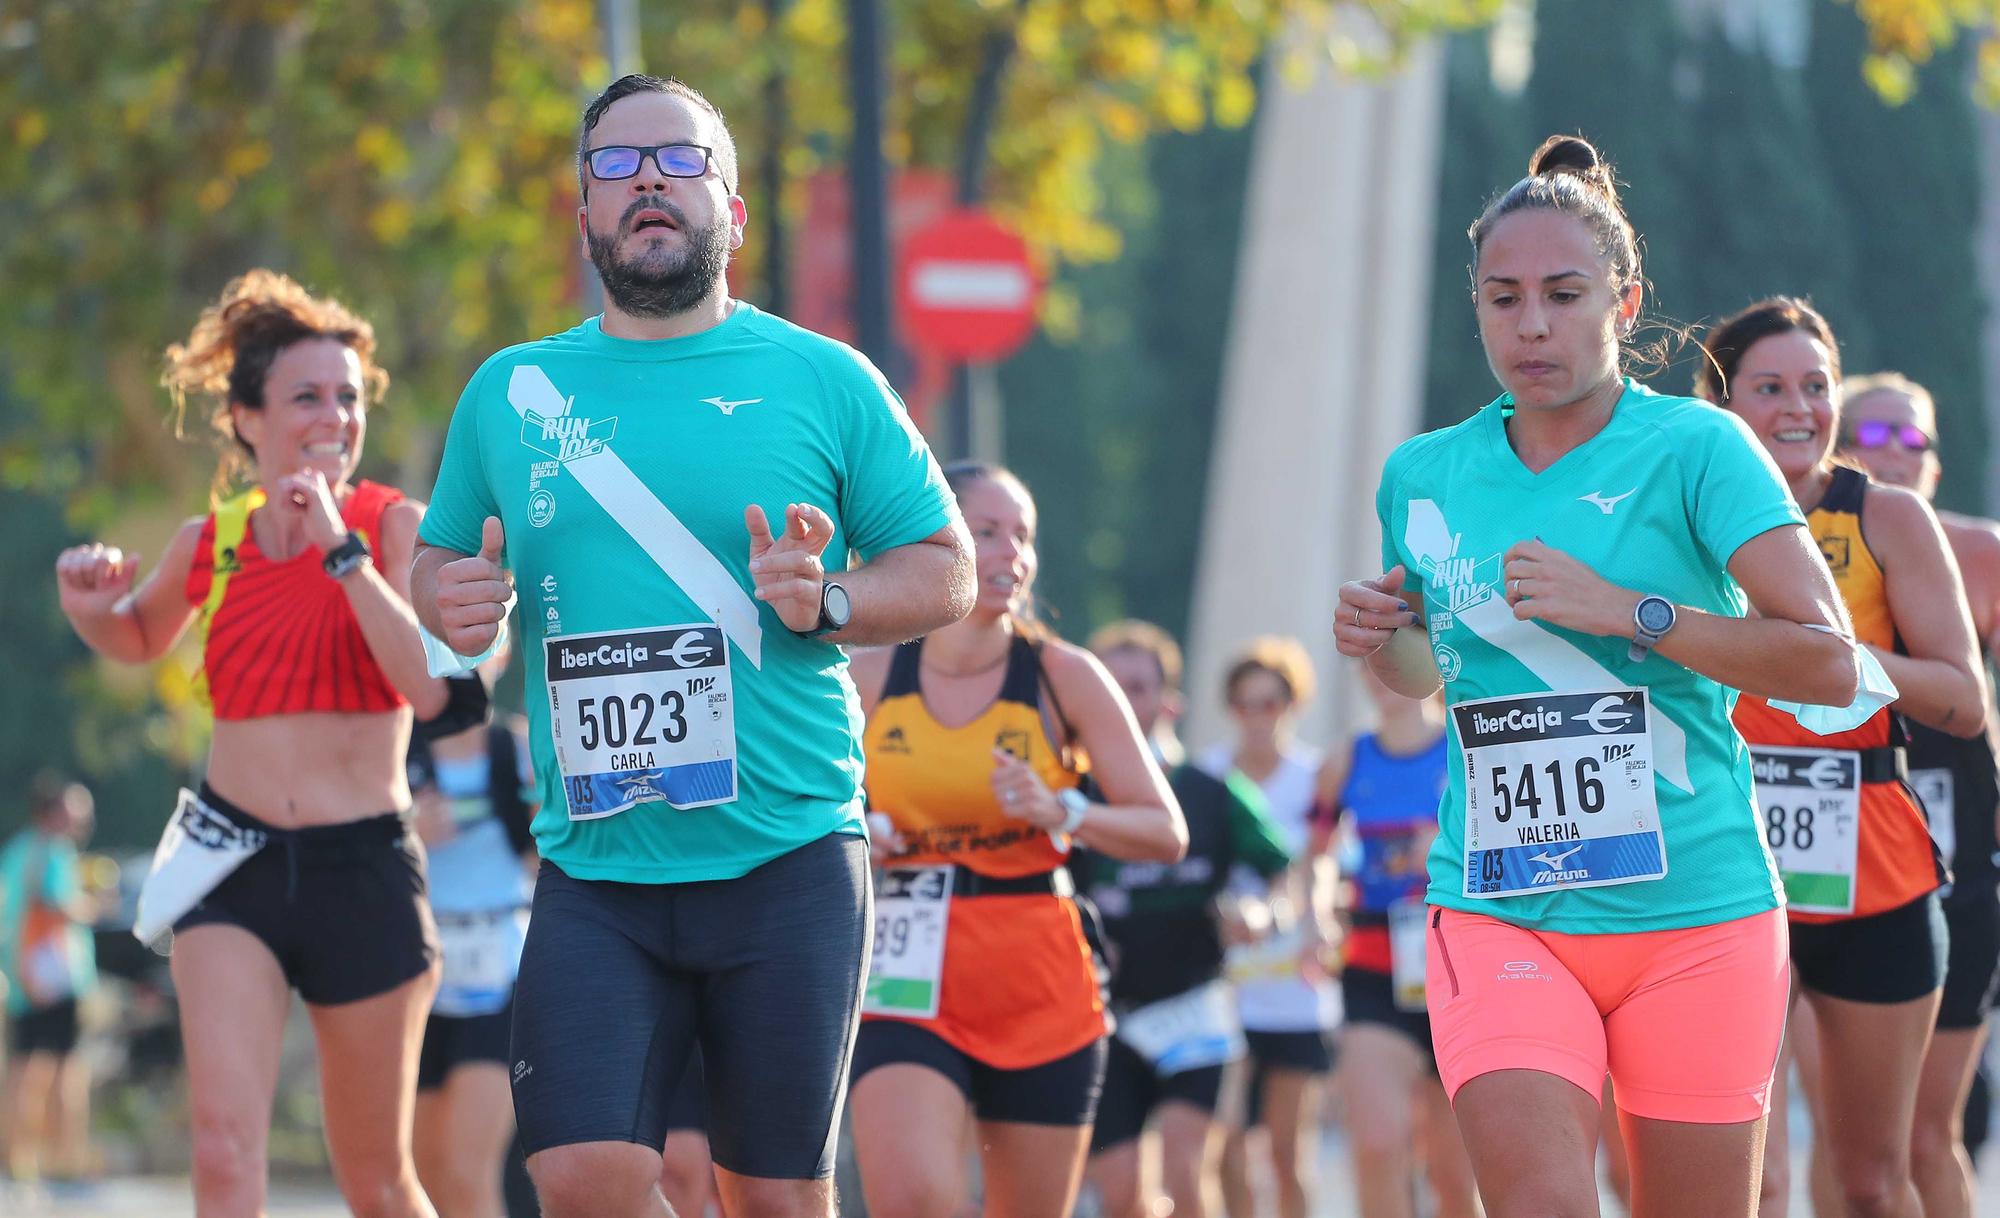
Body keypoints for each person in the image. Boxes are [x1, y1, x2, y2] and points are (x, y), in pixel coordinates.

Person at [410, 74, 977, 1218]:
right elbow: (437, 559)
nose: (649, 182)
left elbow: (945, 569)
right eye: (616, 167)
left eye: (679, 160)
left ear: (731, 204)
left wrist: (827, 602)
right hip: (594, 866)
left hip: (785, 859)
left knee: (770, 1198)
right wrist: (448, 600)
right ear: (585, 217)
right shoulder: (512, 391)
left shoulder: (823, 378)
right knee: (581, 1178)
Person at [1339, 134, 1869, 1218]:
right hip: (1499, 909)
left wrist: (1627, 612)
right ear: (1475, 307)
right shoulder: (1421, 473)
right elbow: (1424, 679)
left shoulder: (1699, 448)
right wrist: (1380, 636)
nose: (1530, 325)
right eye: (1502, 298)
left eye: (1562, 294)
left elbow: (1825, 661)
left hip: (1695, 912)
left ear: (1625, 304)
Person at [54, 268, 455, 1218]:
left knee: (377, 1178)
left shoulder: (394, 526)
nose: (335, 417)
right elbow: (136, 632)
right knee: (224, 1150)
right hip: (227, 858)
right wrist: (87, 609)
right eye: (307, 396)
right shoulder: (212, 541)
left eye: (348, 397)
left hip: (362, 866)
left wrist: (342, 555)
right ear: (246, 418)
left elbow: (433, 687)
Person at [1699, 300, 1987, 1218]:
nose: (1798, 408)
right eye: (1770, 387)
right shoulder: (1686, 520)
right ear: (1721, 402)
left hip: (1876, 881)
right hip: (1726, 873)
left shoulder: (1888, 517)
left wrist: (1826, 659)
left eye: (1816, 387)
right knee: (1752, 1180)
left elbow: (1964, 699)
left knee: (1871, 1180)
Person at [844, 463, 1186, 1218]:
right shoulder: (865, 678)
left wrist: (1063, 811)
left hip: (1039, 982)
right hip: (906, 977)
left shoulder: (1064, 675)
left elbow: (1165, 832)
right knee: (913, 1201)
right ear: (934, 541)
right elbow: (798, 812)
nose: (1012, 555)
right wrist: (859, 834)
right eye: (987, 533)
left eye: (1023, 537)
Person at [1837, 370, 2000, 1217]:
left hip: (1956, 867)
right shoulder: (1792, 554)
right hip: (1827, 864)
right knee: (1840, 1144)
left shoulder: (1982, 555)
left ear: (1935, 462)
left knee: (1926, 1138)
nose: (1894, 454)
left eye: (1913, 439)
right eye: (1872, 436)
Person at [1078, 619, 1293, 1218]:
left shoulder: (1211, 790)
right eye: (1110, 686)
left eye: (1139, 687)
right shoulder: (1074, 798)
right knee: (1122, 1194)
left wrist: (1261, 912)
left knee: (1184, 1175)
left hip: (1195, 1007)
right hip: (1110, 1017)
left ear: (1169, 701)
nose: (1125, 699)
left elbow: (1280, 871)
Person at [1310, 667, 1476, 1218]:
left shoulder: (1464, 748)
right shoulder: (1346, 760)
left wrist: (1449, 846)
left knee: (1454, 1176)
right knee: (1378, 1145)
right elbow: (1318, 857)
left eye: (1400, 656)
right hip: (1374, 967)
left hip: (1460, 970)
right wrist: (1316, 914)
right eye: (1373, 660)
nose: (1384, 673)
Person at [1197, 638, 1338, 1218]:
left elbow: (1325, 864)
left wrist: (1313, 916)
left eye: (1270, 703)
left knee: (1286, 1152)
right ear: (1230, 709)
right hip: (1224, 984)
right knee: (1228, 1148)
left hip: (1294, 985)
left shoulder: (1315, 776)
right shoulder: (1204, 776)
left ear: (1291, 705)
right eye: (1245, 704)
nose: (1257, 718)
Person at [406, 664, 537, 1218]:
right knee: (422, 1169)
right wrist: (405, 835)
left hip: (500, 974)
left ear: (499, 653)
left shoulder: (521, 749)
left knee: (467, 1167)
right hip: (420, 974)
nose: (457, 662)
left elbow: (554, 859)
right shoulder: (396, 755)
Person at [0, 778, 99, 1186]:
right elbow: (58, 906)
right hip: (58, 977)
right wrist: (96, 906)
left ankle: (15, 1157)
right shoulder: (55, 852)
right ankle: (65, 1159)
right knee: (66, 1071)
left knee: (21, 1069)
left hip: (22, 974)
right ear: (54, 813)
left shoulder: (17, 849)